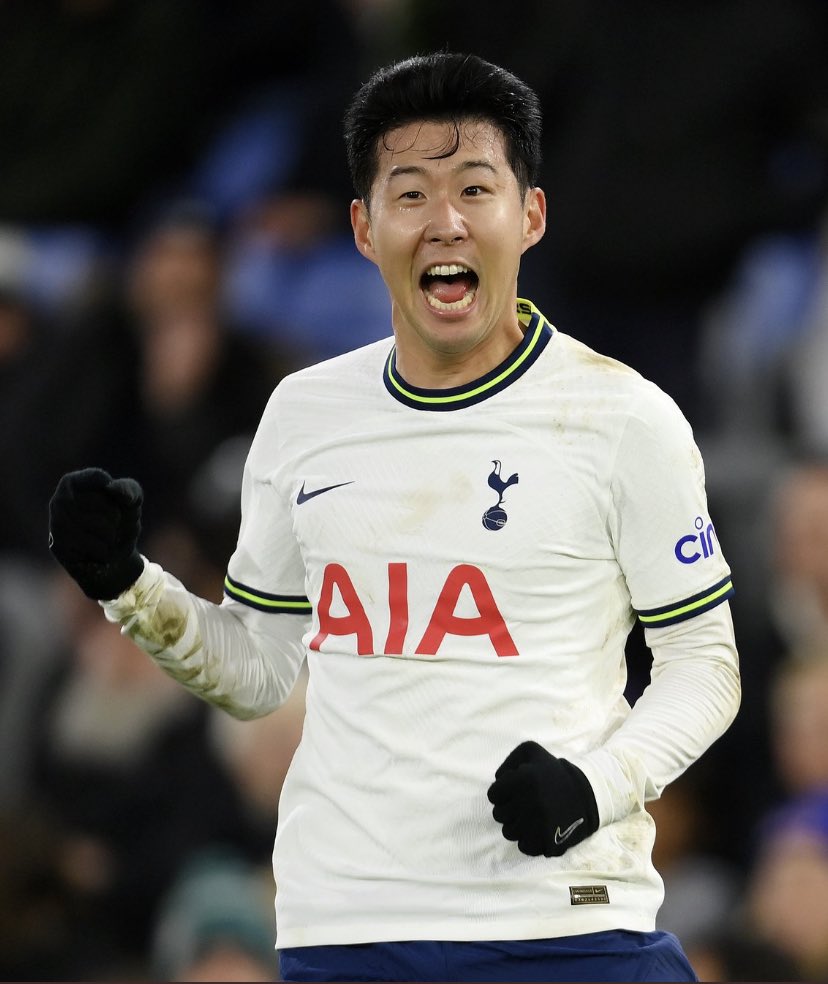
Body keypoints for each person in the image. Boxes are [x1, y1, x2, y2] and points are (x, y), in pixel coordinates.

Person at [47, 53, 741, 983]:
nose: (444, 221)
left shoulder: (623, 418)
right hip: (348, 929)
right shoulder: (304, 415)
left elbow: (707, 666)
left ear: (528, 216)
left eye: (475, 189)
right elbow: (260, 669)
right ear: (364, 229)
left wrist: (595, 786)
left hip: (566, 923)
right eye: (409, 194)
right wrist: (130, 587)